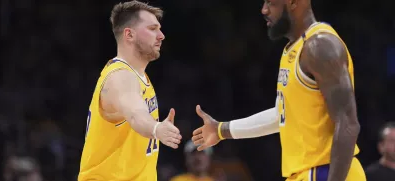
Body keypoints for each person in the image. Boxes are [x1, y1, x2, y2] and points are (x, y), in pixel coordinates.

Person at [192, 0, 365, 180]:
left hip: (325, 171)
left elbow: (348, 123)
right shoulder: (294, 49)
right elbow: (283, 115)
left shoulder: (320, 46)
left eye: (271, 3)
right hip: (306, 172)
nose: (264, 9)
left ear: (293, 3)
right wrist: (222, 130)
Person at [78, 1, 182, 180]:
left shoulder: (140, 77)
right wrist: (156, 128)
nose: (161, 36)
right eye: (152, 28)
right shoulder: (120, 77)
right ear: (129, 34)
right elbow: (136, 114)